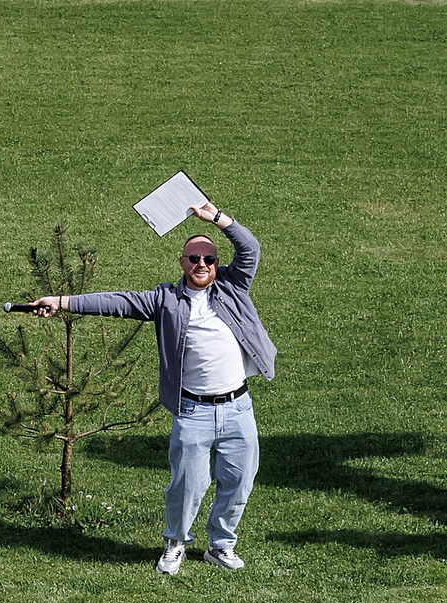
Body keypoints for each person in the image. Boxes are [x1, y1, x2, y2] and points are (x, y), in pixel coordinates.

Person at [30, 203, 275, 575]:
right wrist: (60, 302)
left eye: (208, 258)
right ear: (182, 262)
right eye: (194, 258)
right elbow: (114, 302)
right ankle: (176, 543)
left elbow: (251, 249)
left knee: (239, 482)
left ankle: (221, 545)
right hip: (193, 411)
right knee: (187, 486)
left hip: (238, 407)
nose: (202, 264)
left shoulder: (232, 286)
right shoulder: (165, 300)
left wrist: (218, 219)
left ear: (216, 263)